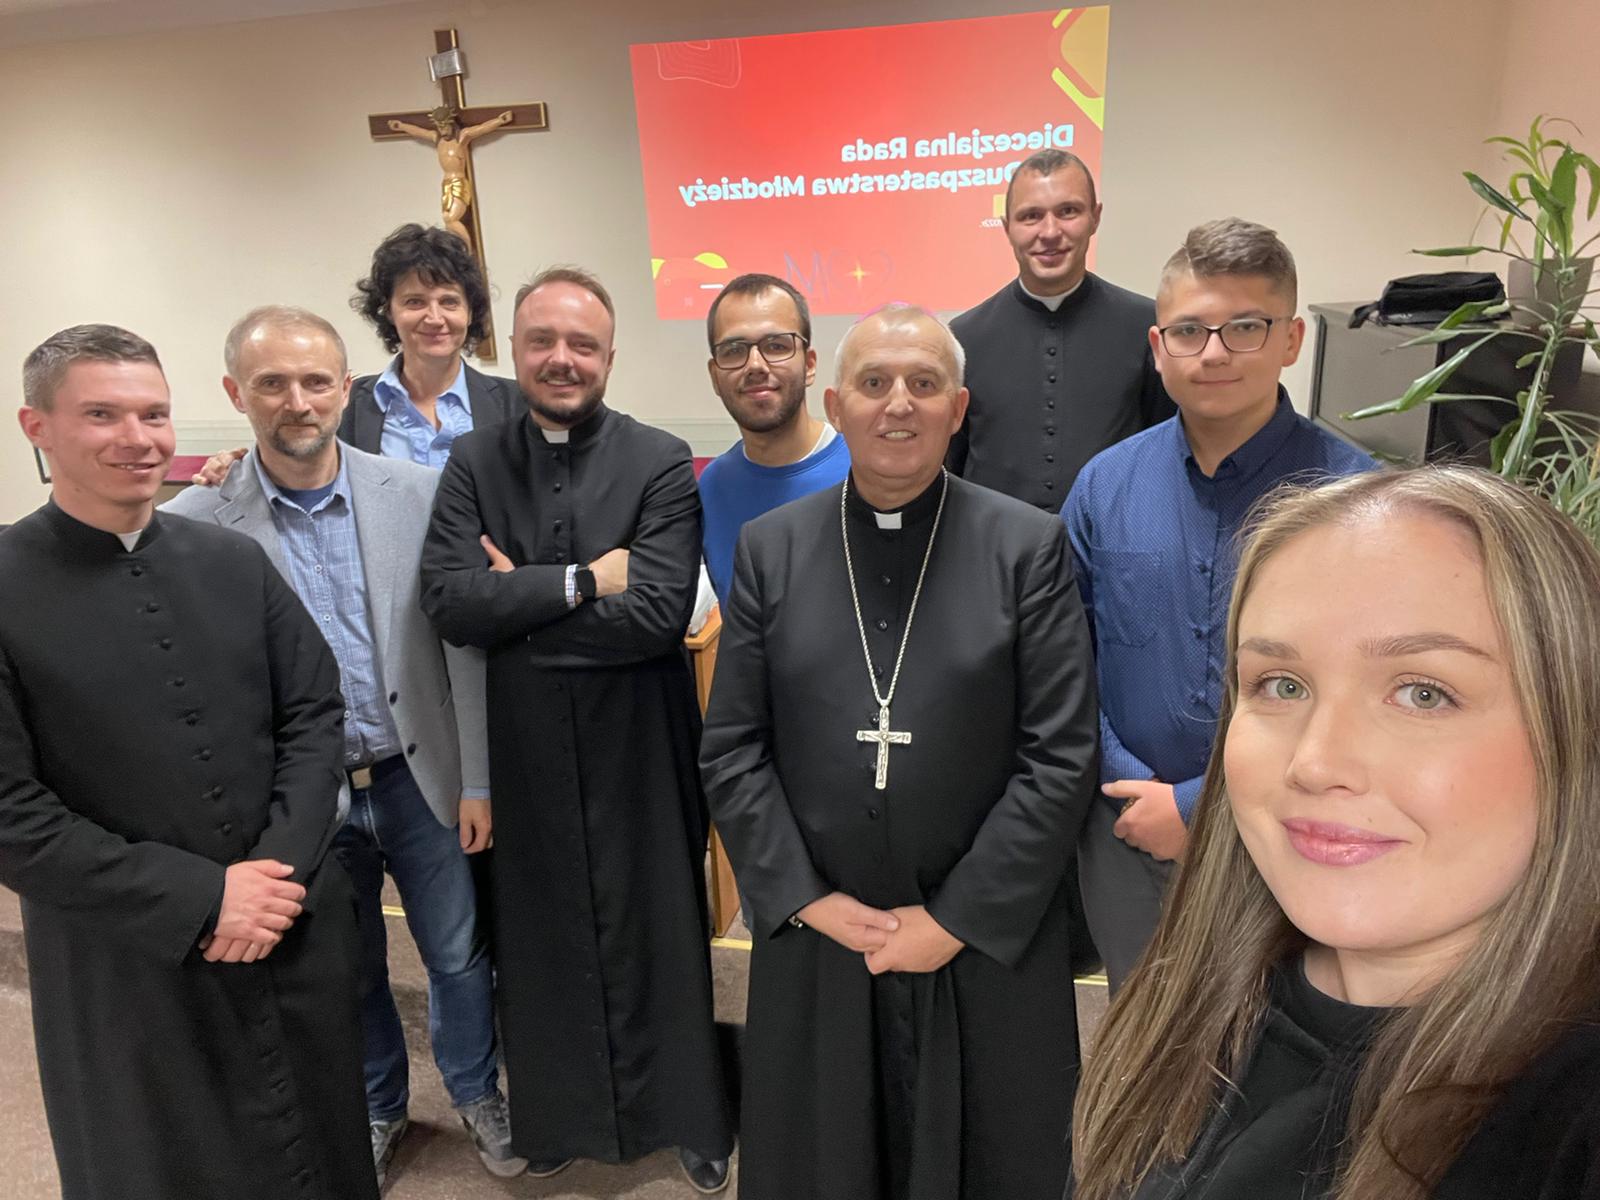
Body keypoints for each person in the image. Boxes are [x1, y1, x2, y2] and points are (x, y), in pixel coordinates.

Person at [1072, 466, 1600, 1200]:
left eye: (1423, 693)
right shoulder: (1185, 1010)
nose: (1316, 763)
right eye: (1281, 685)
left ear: (1574, 731)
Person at [702, 303, 1099, 1200]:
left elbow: (1060, 754)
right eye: (875, 383)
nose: (898, 404)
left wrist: (953, 920)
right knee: (826, 1160)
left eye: (924, 384)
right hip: (823, 930)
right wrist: (807, 898)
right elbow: (732, 749)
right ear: (836, 405)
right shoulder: (772, 550)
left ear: (957, 410)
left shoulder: (1026, 547)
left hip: (982, 935)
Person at [1, 324, 375, 1200]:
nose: (139, 439)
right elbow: (11, 810)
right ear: (37, 426)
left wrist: (274, 872)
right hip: (127, 955)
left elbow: (314, 712)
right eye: (103, 414)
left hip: (284, 924)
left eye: (155, 414)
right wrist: (204, 898)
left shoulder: (232, 560)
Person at [161, 306, 518, 1189]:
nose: (297, 401)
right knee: (347, 968)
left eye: (316, 381)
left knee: (457, 952)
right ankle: (379, 1106)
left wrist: (479, 777)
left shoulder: (417, 492)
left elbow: (462, 644)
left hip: (417, 774)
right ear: (235, 393)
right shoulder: (195, 521)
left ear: (345, 387)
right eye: (272, 383)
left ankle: (477, 1092)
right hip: (299, 795)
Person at [419, 266, 734, 1193]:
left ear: (609, 356)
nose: (562, 359)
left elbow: (658, 616)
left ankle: (691, 1117)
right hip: (523, 749)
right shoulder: (474, 461)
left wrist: (513, 608)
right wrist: (583, 581)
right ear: (514, 350)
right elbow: (449, 602)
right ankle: (557, 1117)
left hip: (642, 741)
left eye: (582, 344)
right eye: (543, 341)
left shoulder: (661, 457)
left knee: (661, 926)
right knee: (536, 934)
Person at [1064, 218, 1374, 991]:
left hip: (1294, 834)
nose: (1212, 353)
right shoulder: (1104, 486)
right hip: (1126, 833)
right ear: (1157, 345)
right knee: (1142, 1030)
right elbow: (1062, 660)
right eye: (1189, 331)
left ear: (1291, 339)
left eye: (1244, 327)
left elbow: (1365, 691)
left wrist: (1199, 806)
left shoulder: (1358, 501)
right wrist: (1131, 787)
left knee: (1278, 1035)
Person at [192, 222, 522, 483]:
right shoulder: (342, 403)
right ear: (388, 310)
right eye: (414, 302)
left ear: (470, 311)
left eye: (449, 302)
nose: (434, 318)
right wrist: (236, 467)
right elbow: (292, 459)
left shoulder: (516, 405)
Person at [948, 148, 1172, 510]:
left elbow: (1168, 451)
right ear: (1007, 228)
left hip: (1113, 538)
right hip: (995, 541)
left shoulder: (1148, 327)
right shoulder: (963, 338)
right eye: (1031, 216)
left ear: (1095, 217)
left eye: (1068, 211)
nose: (1050, 232)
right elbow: (951, 470)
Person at [697, 273, 850, 605]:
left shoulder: (865, 470)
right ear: (715, 376)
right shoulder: (712, 488)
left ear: (809, 365)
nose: (755, 365)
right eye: (734, 350)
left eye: (776, 346)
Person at [386, 106, 514, 245]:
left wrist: (500, 121)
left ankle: (467, 250)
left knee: (451, 219)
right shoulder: (437, 139)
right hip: (446, 184)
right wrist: (401, 126)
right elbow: (419, 132)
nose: (443, 132)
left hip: (458, 181)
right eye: (440, 128)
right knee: (447, 221)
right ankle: (457, 250)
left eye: (445, 128)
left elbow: (481, 128)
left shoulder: (462, 137)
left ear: (452, 124)